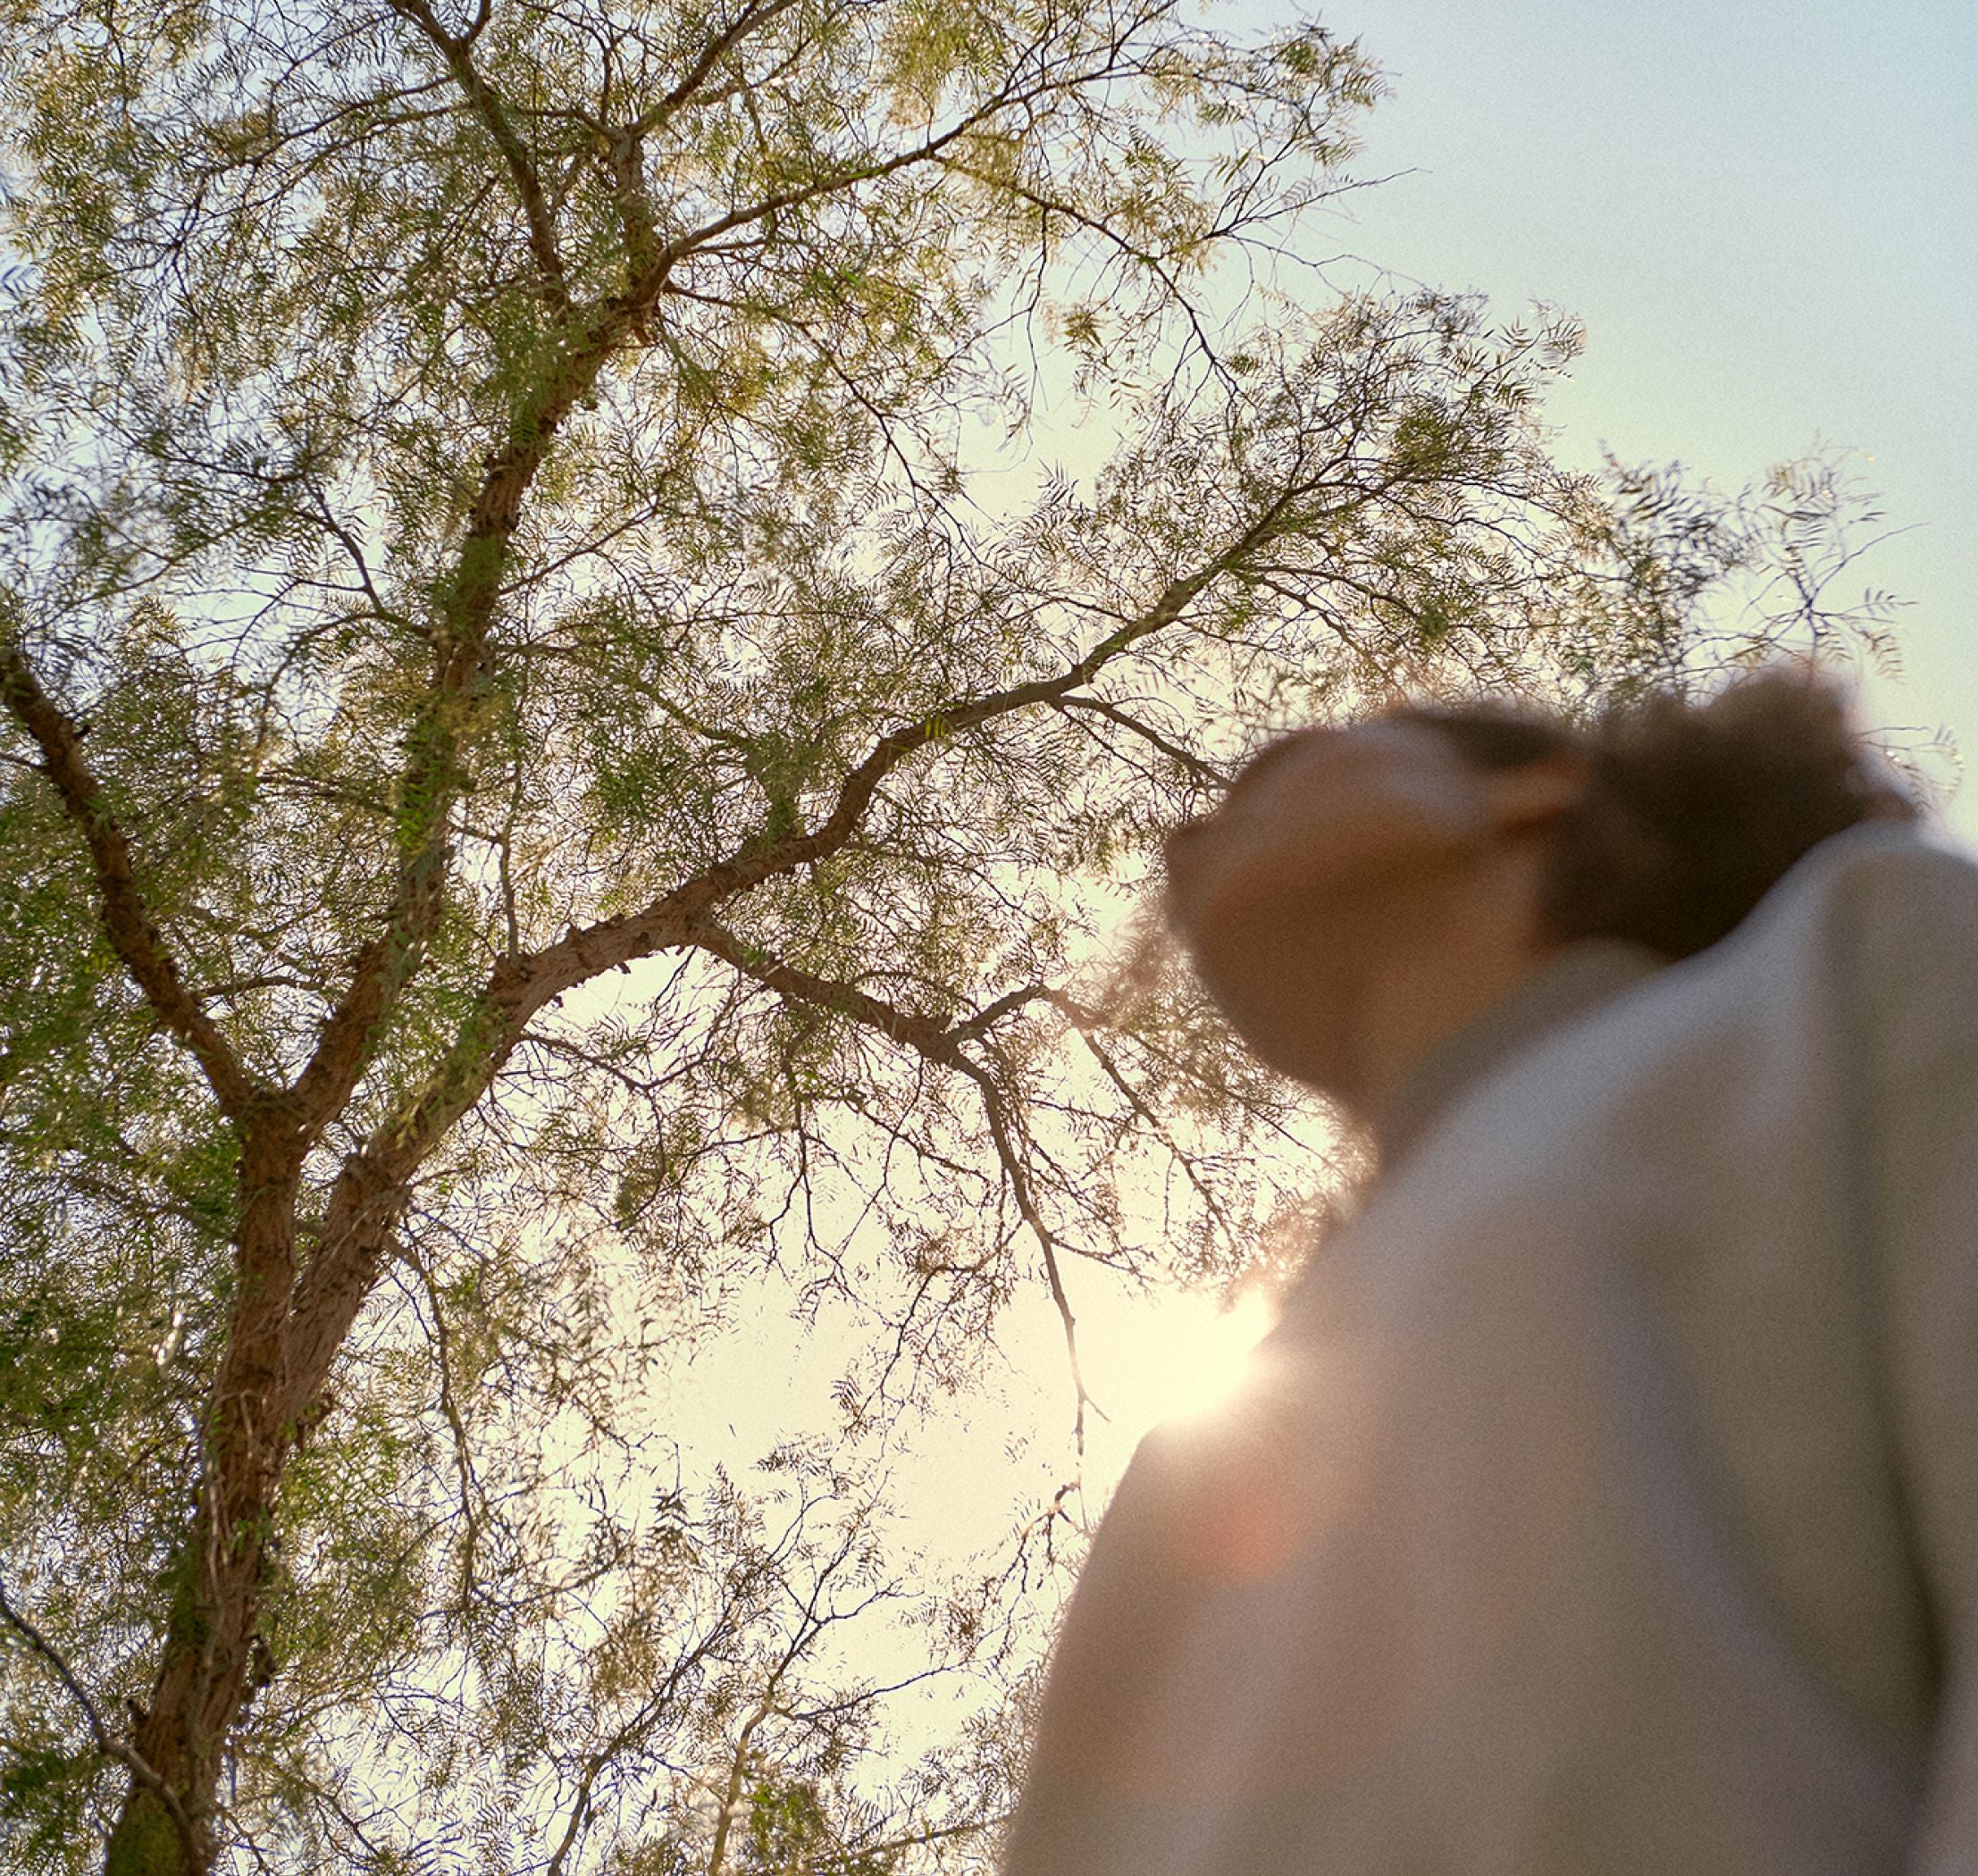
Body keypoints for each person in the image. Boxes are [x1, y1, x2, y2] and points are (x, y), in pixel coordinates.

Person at [1001, 671, 1978, 1876]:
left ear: (1532, 797)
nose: (1181, 836)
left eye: (1289, 761)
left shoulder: (1856, 963)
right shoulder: (1208, 1454)